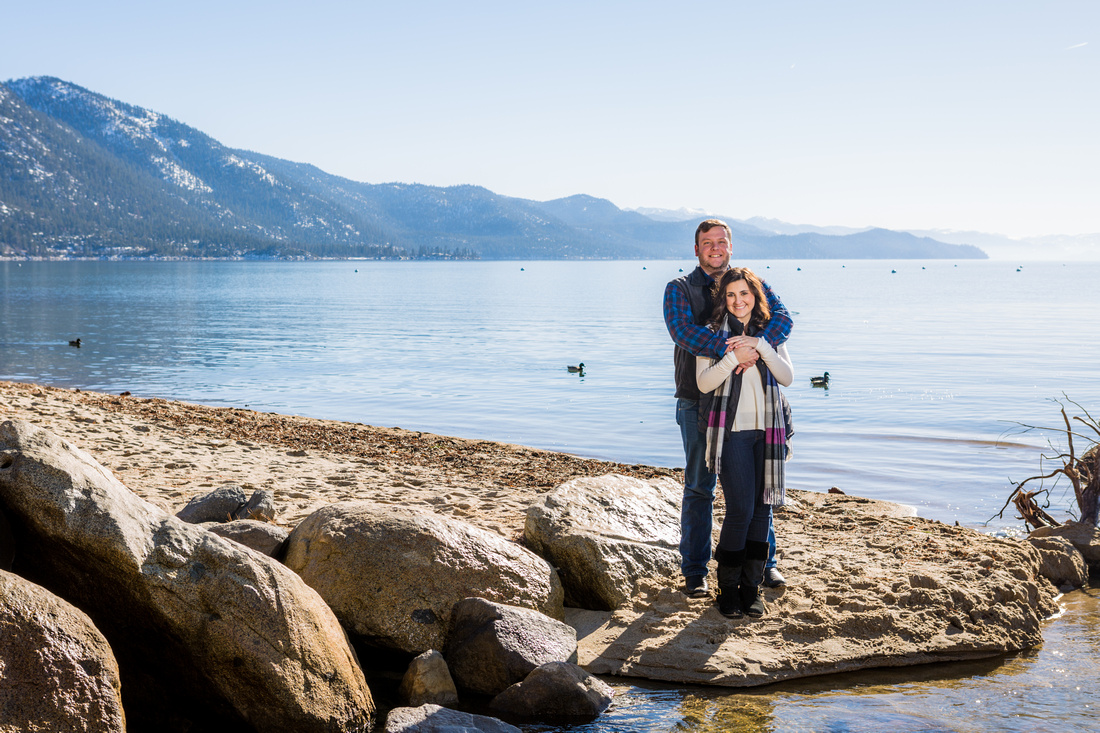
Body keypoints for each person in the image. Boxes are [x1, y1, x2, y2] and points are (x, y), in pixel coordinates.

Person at [663, 219, 792, 599]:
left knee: (757, 490)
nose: (715, 248)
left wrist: (756, 344)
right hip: (696, 399)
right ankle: (696, 571)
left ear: (731, 246)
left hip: (750, 404)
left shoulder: (749, 282)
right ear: (697, 249)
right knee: (700, 487)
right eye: (707, 243)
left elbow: (782, 319)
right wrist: (731, 347)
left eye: (721, 241)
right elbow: (682, 331)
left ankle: (764, 564)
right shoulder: (680, 289)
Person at [696, 267, 793, 618]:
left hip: (769, 434)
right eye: (732, 295)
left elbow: (787, 377)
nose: (739, 301)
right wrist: (734, 357)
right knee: (740, 511)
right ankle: (728, 590)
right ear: (724, 299)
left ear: (756, 297)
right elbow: (704, 383)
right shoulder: (710, 336)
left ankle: (751, 589)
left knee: (763, 509)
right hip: (732, 435)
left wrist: (761, 347)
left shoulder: (770, 334)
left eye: (745, 294)